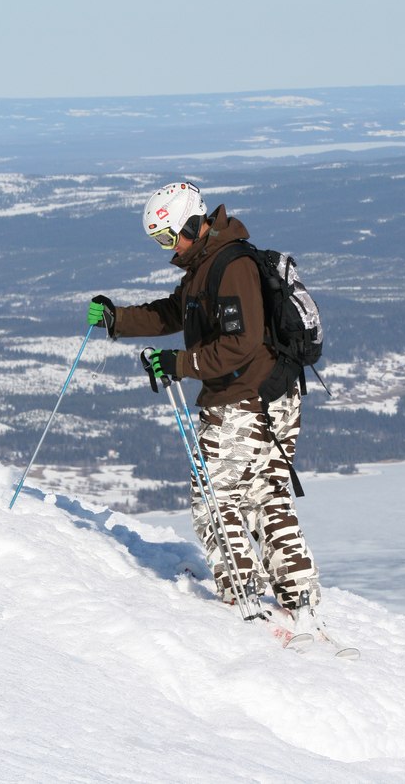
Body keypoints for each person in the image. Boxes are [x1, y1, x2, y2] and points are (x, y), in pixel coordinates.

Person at [87, 179, 321, 616]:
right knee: (266, 493)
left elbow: (241, 344)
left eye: (167, 235)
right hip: (271, 395)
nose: (166, 247)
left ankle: (243, 594)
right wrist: (117, 319)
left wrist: (180, 364)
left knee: (215, 498)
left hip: (243, 401)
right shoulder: (207, 264)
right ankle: (299, 593)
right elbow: (175, 312)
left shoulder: (230, 268)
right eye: (159, 239)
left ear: (192, 223)